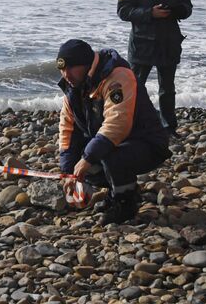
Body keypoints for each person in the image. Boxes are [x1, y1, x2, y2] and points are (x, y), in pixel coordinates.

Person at [56, 39, 172, 225]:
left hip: (147, 143)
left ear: (86, 65)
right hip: (115, 143)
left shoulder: (117, 76)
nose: (65, 74)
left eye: (70, 68)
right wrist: (68, 171)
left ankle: (125, 202)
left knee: (107, 157)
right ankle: (120, 190)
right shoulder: (74, 87)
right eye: (61, 70)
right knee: (84, 161)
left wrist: (87, 159)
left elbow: (117, 124)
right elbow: (67, 128)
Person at [117, 0, 192, 129]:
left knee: (167, 89)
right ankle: (129, 126)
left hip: (168, 42)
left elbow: (187, 8)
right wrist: (150, 13)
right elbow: (123, 11)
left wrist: (176, 11)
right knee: (134, 87)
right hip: (142, 44)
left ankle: (169, 127)